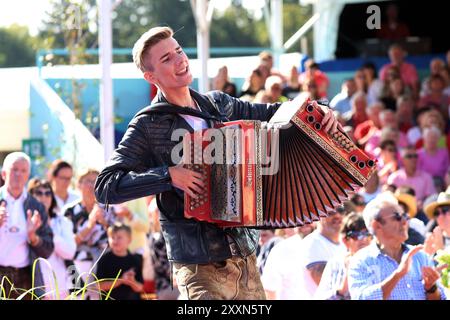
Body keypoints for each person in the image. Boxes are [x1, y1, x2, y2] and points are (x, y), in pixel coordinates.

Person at [94, 26, 339, 300]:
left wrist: (319, 107)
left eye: (179, 51)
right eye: (166, 59)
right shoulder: (147, 124)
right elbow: (105, 186)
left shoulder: (218, 104)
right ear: (150, 77)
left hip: (244, 258)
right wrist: (168, 176)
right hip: (197, 264)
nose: (180, 60)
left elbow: (275, 113)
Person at [348, 192, 446, 300]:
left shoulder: (420, 256)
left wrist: (430, 288)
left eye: (404, 216)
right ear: (377, 225)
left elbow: (441, 297)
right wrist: (398, 275)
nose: (405, 222)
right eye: (397, 217)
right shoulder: (361, 261)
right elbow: (361, 298)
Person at [0, 152, 54, 299]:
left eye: (23, 171)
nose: (18, 174)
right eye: (14, 169)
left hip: (25, 279)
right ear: (4, 173)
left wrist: (34, 237)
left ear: (28, 175)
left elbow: (48, 249)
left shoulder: (36, 206)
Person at [28, 178, 76, 300]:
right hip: (30, 286)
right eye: (39, 193)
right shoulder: (23, 220)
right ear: (30, 196)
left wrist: (49, 230)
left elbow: (70, 252)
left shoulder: (62, 222)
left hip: (59, 288)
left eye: (48, 193)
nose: (44, 197)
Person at [315, 213, 372, 300]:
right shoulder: (335, 264)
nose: (363, 238)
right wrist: (342, 290)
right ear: (345, 240)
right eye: (356, 235)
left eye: (367, 233)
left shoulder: (381, 261)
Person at [96, 223, 144, 300]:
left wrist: (132, 281)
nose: (115, 240)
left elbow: (140, 288)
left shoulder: (136, 259)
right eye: (112, 237)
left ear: (129, 240)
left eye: (119, 237)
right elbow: (99, 286)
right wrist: (120, 281)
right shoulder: (104, 259)